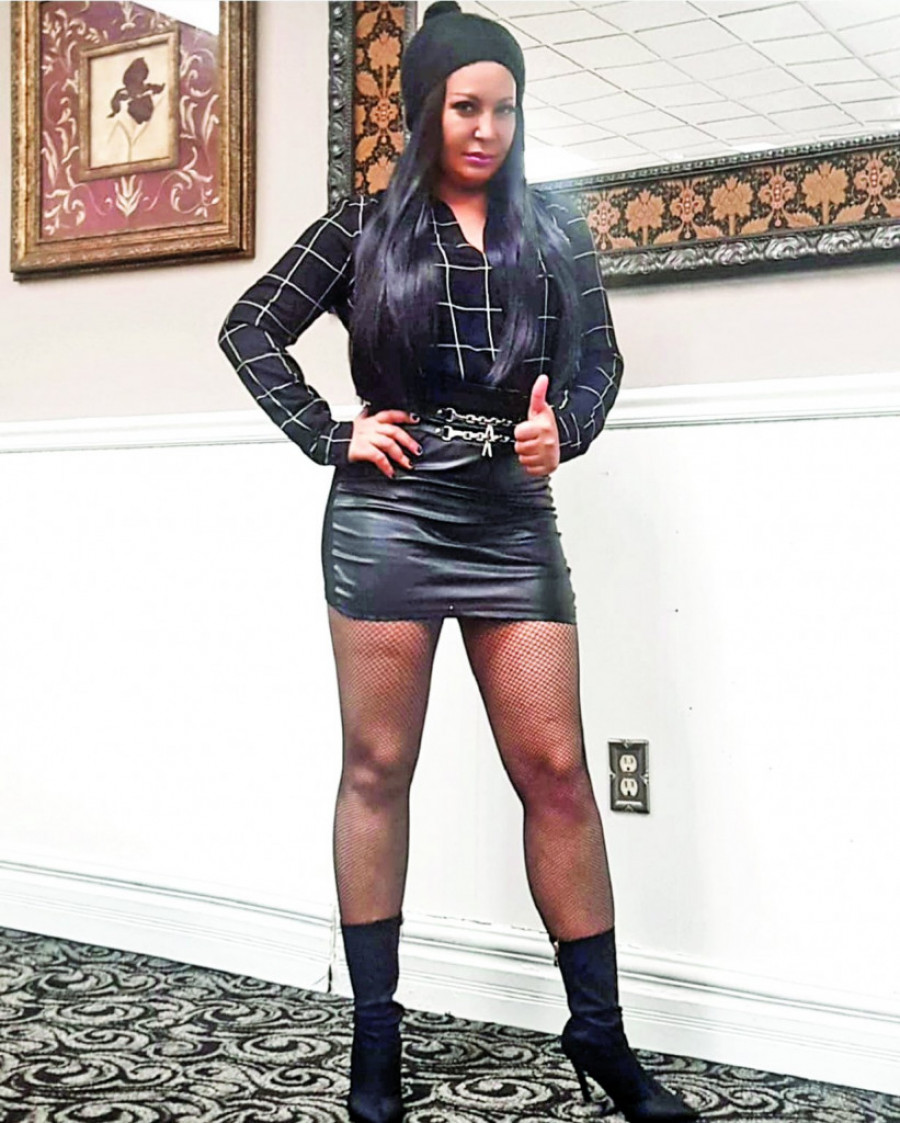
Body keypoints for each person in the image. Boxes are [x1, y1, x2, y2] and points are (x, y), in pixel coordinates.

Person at [219, 4, 698, 1122]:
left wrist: (565, 430)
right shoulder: (361, 228)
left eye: (505, 108)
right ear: (427, 110)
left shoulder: (555, 229)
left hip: (510, 516)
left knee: (557, 771)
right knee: (378, 769)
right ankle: (375, 1036)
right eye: (464, 106)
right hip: (389, 517)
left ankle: (599, 1032)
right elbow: (249, 327)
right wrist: (330, 433)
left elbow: (600, 361)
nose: (486, 129)